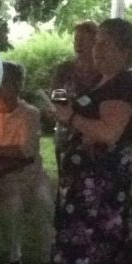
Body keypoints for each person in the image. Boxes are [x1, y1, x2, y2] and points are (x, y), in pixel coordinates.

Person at [49, 18, 132, 264]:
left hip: (100, 193)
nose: (97, 50)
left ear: (124, 52)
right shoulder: (103, 81)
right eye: (97, 44)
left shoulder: (122, 86)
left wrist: (71, 117)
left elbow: (109, 133)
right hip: (83, 186)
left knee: (93, 256)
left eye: (105, 44)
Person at [0, 61, 54, 264]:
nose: (0, 88)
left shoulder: (30, 114)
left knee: (44, 201)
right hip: (1, 179)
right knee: (11, 203)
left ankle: (49, 256)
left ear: (18, 85)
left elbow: (25, 151)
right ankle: (14, 257)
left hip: (32, 176)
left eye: (5, 82)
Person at [48, 21, 100, 169]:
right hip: (66, 134)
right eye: (76, 39)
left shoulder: (104, 74)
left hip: (94, 136)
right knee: (66, 181)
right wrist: (56, 109)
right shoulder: (64, 70)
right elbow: (56, 97)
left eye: (84, 40)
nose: (78, 44)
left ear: (96, 43)